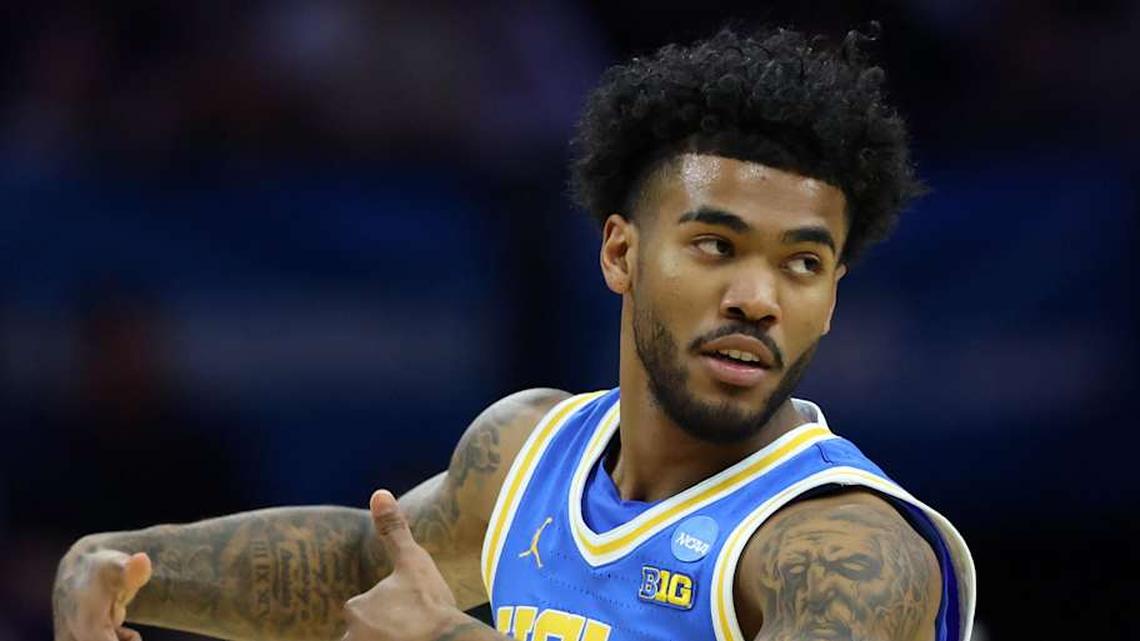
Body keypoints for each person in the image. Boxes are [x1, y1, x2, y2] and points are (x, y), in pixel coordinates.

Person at [52, 26, 976, 641]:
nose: (756, 297)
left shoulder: (846, 548)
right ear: (621, 252)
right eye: (715, 244)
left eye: (801, 264)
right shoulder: (528, 450)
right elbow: (358, 568)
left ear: (833, 293)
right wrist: (126, 562)